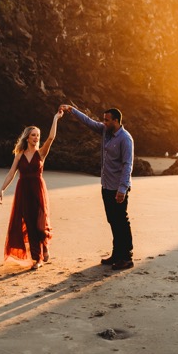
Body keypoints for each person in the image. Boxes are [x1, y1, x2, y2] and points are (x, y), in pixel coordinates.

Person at [59, 104, 135, 270]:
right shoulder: (105, 131)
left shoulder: (125, 138)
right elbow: (88, 122)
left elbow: (127, 165)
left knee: (121, 221)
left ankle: (127, 257)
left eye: (107, 120)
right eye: (103, 120)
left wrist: (122, 189)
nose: (103, 122)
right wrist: (72, 110)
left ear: (116, 120)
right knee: (113, 221)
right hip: (106, 185)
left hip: (118, 188)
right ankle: (117, 254)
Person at [0, 110, 62, 270]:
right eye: (33, 135)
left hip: (38, 190)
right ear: (27, 137)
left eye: (38, 135)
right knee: (31, 226)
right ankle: (37, 258)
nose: (36, 138)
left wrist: (55, 118)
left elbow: (51, 137)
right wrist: (2, 190)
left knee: (40, 225)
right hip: (24, 191)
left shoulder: (41, 153)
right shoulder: (19, 155)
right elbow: (12, 173)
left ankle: (45, 246)